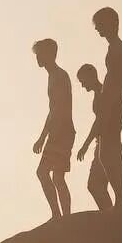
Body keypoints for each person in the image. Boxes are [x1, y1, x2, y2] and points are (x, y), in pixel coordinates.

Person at [31, 38, 75, 221]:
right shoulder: (53, 76)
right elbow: (53, 110)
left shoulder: (59, 76)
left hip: (62, 131)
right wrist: (43, 137)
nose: (37, 58)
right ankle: (60, 216)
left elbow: (58, 109)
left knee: (47, 173)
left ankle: (61, 216)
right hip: (60, 131)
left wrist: (44, 137)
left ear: (49, 54)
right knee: (56, 176)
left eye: (40, 54)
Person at [92, 6, 122, 210]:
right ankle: (119, 199)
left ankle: (120, 199)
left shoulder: (118, 48)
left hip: (114, 105)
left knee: (109, 152)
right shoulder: (114, 48)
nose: (97, 29)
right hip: (112, 104)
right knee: (108, 153)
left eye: (100, 25)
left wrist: (110, 103)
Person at [75, 63, 114, 211]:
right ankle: (109, 213)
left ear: (91, 76)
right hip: (101, 143)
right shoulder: (98, 94)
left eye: (83, 81)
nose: (83, 86)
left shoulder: (103, 94)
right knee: (97, 185)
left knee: (95, 184)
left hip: (106, 145)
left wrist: (85, 145)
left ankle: (110, 214)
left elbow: (99, 122)